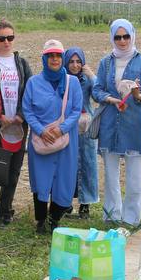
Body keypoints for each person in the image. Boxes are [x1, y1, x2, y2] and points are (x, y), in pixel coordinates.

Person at [92, 19, 141, 228]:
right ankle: (111, 214)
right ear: (112, 38)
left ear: (132, 35)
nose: (122, 41)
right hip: (110, 122)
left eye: (126, 36)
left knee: (135, 177)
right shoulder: (105, 62)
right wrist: (109, 99)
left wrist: (137, 94)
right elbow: (97, 89)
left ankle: (131, 218)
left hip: (133, 125)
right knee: (110, 175)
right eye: (117, 37)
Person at [23, 40, 83, 235]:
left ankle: (54, 219)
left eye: (58, 55)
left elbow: (76, 110)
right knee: (41, 180)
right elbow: (27, 110)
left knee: (64, 179)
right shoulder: (33, 83)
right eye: (51, 56)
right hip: (41, 141)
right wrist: (41, 130)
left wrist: (62, 128)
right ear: (44, 58)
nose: (55, 59)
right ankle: (41, 220)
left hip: (66, 140)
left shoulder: (72, 82)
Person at [0, 20, 32, 225]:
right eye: (2, 38)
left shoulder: (22, 64)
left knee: (14, 170)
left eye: (10, 37)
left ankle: (5, 210)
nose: (6, 42)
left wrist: (21, 115)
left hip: (18, 125)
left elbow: (30, 93)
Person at [63, 47, 98, 218]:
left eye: (78, 61)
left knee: (88, 164)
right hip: (68, 125)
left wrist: (92, 75)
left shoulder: (87, 80)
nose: (75, 65)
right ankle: (66, 203)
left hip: (86, 126)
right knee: (67, 164)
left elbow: (99, 94)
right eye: (71, 61)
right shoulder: (63, 80)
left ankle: (86, 204)